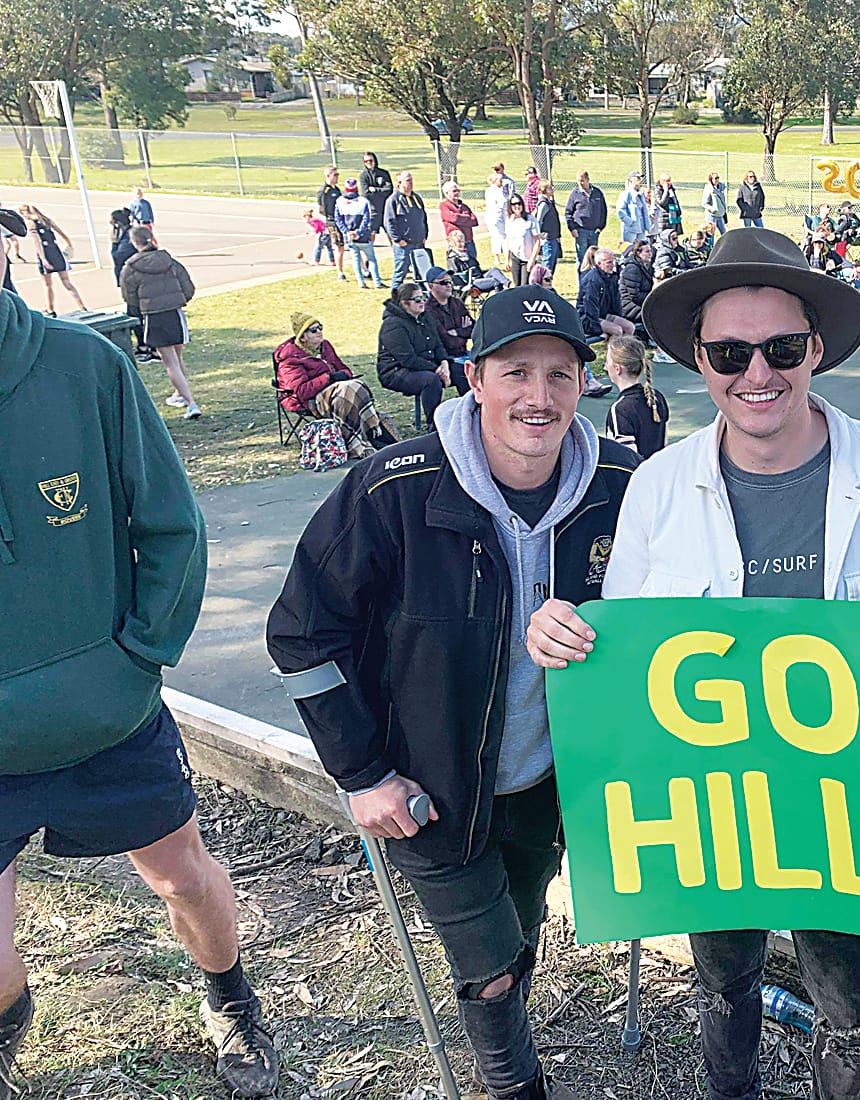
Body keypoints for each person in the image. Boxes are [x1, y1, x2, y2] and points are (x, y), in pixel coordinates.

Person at [526, 226, 860, 1100]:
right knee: (724, 983)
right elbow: (631, 657)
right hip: (711, 805)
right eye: (729, 352)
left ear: (816, 349)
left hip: (852, 810)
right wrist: (566, 639)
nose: (756, 374)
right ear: (697, 359)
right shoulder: (658, 487)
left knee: (848, 1001)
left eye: (781, 348)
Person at [266, 286, 639, 1100]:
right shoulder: (389, 489)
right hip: (426, 784)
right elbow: (300, 632)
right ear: (475, 377)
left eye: (559, 374)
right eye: (514, 373)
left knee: (521, 930)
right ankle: (513, 1086)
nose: (537, 398)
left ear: (583, 382)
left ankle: (508, 1012)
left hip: (549, 779)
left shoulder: (621, 479)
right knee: (489, 967)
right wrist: (362, 773)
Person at [0, 282, 278, 1100]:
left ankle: (230, 996)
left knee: (185, 879)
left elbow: (170, 522)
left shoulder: (82, 365)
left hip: (109, 716)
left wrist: (138, 657)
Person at [273, 312, 399, 459]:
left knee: (355, 385)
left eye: (320, 327)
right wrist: (329, 378)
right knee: (348, 389)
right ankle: (359, 441)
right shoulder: (291, 359)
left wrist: (342, 375)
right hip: (309, 401)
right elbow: (302, 391)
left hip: (337, 394)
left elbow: (344, 369)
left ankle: (370, 435)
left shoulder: (325, 346)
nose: (319, 332)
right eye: (314, 330)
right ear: (302, 337)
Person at [120, 227, 201, 419]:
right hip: (174, 312)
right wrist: (179, 300)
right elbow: (187, 286)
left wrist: (141, 307)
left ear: (134, 242)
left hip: (153, 315)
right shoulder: (170, 261)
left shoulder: (131, 267)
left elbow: (128, 296)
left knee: (170, 362)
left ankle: (190, 402)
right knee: (178, 356)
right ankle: (180, 394)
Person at [375, 282, 468, 426]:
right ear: (404, 303)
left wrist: (444, 363)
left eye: (423, 297)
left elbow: (438, 345)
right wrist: (437, 370)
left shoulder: (425, 318)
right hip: (396, 371)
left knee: (462, 371)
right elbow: (407, 359)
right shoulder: (393, 325)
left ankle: (472, 413)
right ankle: (434, 424)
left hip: (427, 364)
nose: (423, 302)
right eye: (417, 299)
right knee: (431, 380)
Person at [602, 335, 666, 458]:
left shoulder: (620, 409)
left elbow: (628, 458)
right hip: (658, 471)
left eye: (607, 362)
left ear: (617, 369)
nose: (605, 367)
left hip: (637, 476)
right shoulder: (657, 397)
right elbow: (664, 444)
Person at [575, 248, 627, 398]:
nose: (613, 264)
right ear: (599, 263)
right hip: (587, 317)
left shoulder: (611, 277)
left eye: (613, 261)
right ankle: (612, 364)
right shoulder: (593, 280)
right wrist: (598, 330)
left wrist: (618, 316)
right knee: (616, 330)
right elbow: (589, 307)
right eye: (609, 262)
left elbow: (616, 301)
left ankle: (624, 360)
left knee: (628, 327)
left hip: (603, 314)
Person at [18, 204, 86, 316]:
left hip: (46, 253)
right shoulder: (47, 221)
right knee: (67, 282)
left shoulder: (31, 224)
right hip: (56, 252)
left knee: (48, 285)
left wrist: (43, 259)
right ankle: (81, 305)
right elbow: (62, 233)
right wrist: (69, 244)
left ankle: (51, 309)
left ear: (25, 213)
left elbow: (37, 242)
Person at [335, 178, 386, 290]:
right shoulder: (363, 201)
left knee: (356, 259)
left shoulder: (339, 201)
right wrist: (359, 232)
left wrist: (347, 232)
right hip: (363, 236)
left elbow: (338, 219)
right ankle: (377, 282)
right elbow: (366, 219)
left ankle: (361, 283)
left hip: (349, 237)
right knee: (371, 258)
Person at [386, 171, 433, 288]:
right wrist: (398, 240)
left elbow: (423, 217)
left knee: (421, 273)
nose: (410, 183)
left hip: (418, 243)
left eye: (411, 180)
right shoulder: (393, 200)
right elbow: (389, 222)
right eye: (407, 180)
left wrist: (424, 236)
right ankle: (395, 299)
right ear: (399, 182)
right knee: (400, 273)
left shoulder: (416, 198)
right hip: (404, 245)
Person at [422, 265, 474, 365]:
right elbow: (447, 342)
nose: (449, 285)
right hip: (447, 359)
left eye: (450, 282)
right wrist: (464, 332)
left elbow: (476, 330)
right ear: (431, 286)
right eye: (444, 282)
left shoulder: (457, 303)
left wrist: (458, 331)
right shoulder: (428, 310)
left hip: (465, 353)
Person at [565, 170, 608, 267]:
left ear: (588, 180)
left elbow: (603, 211)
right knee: (582, 258)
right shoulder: (575, 194)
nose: (580, 183)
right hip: (580, 231)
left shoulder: (597, 193)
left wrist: (600, 227)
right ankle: (582, 280)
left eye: (582, 180)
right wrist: (572, 228)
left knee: (594, 258)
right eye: (578, 180)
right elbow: (568, 213)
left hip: (594, 231)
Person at [617, 239, 655, 340]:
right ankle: (654, 340)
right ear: (638, 253)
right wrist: (653, 297)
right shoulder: (632, 269)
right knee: (656, 313)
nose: (650, 254)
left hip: (641, 302)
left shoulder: (646, 266)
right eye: (647, 251)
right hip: (629, 305)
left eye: (650, 251)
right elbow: (634, 296)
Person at [439, 180, 481, 270]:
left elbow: (474, 220)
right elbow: (453, 218)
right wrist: (466, 218)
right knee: (457, 268)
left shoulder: (464, 206)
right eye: (454, 191)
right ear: (446, 193)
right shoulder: (444, 206)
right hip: (456, 243)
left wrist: (460, 219)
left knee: (473, 266)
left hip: (469, 241)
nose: (457, 193)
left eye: (458, 190)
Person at [317, 165, 347, 281]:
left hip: (341, 220)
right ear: (328, 176)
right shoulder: (325, 191)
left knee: (346, 246)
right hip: (332, 222)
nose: (337, 177)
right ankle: (340, 272)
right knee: (339, 247)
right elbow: (322, 209)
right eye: (335, 175)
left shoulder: (336, 189)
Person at [504, 194, 541, 288]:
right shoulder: (509, 220)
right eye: (513, 204)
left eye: (519, 203)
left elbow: (537, 241)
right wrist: (507, 259)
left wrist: (532, 260)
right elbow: (508, 240)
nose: (517, 206)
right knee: (516, 285)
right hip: (515, 256)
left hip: (527, 258)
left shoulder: (530, 219)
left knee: (525, 286)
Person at [485, 163, 517, 268]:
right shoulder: (494, 191)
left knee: (499, 236)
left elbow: (512, 195)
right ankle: (504, 258)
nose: (502, 182)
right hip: (497, 216)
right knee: (503, 237)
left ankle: (501, 258)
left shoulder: (507, 182)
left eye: (498, 169)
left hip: (497, 216)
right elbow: (503, 203)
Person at [532, 182, 563, 282]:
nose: (552, 189)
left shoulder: (550, 202)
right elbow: (539, 220)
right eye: (550, 188)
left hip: (553, 237)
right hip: (547, 239)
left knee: (553, 263)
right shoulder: (543, 204)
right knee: (547, 264)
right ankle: (544, 284)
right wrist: (540, 236)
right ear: (544, 190)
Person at [360, 152, 394, 238]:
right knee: (371, 234)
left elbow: (389, 190)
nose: (369, 163)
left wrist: (375, 190)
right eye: (366, 161)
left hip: (385, 208)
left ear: (375, 160)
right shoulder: (363, 176)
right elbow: (365, 194)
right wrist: (380, 192)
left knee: (391, 233)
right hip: (373, 210)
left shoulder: (384, 173)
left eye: (370, 160)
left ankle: (396, 251)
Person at [615, 171, 652, 247]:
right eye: (637, 177)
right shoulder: (626, 194)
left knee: (641, 249)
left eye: (640, 178)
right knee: (628, 249)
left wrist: (647, 224)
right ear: (631, 180)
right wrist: (630, 222)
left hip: (641, 228)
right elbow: (620, 211)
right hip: (630, 229)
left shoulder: (640, 194)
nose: (639, 179)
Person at [110, 208, 137, 285]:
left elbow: (118, 258)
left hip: (130, 277)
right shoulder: (130, 232)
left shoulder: (127, 238)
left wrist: (114, 244)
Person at [702, 171, 727, 235]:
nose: (717, 180)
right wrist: (713, 209)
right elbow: (704, 203)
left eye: (718, 178)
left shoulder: (720, 188)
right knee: (711, 233)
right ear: (711, 179)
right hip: (712, 215)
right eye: (715, 178)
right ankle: (711, 245)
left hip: (720, 215)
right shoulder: (709, 189)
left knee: (724, 233)